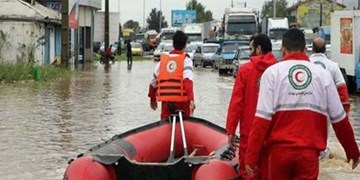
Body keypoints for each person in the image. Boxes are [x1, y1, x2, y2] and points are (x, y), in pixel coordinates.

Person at [245, 28, 360, 179]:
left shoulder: (272, 73)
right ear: (305, 50)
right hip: (309, 156)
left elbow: (261, 120)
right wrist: (352, 151)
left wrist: (251, 156)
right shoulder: (323, 75)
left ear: (283, 49)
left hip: (279, 154)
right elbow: (339, 119)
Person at [226, 34, 277, 180]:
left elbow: (237, 103)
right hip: (274, 136)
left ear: (258, 49)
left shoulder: (245, 70)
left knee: (248, 174)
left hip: (249, 135)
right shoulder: (279, 71)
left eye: (251, 49)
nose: (249, 53)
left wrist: (230, 130)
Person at [309, 37, 350, 159]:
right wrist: (344, 110)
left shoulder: (305, 63)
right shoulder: (333, 66)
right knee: (324, 135)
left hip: (306, 105)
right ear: (325, 50)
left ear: (312, 49)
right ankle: (323, 153)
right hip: (326, 107)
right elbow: (342, 88)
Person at [148, 30, 196, 120]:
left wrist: (152, 99)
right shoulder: (186, 60)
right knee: (186, 124)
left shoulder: (163, 61)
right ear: (185, 45)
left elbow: (153, 81)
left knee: (165, 124)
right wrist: (191, 99)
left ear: (173, 44)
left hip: (167, 103)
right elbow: (187, 81)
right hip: (182, 103)